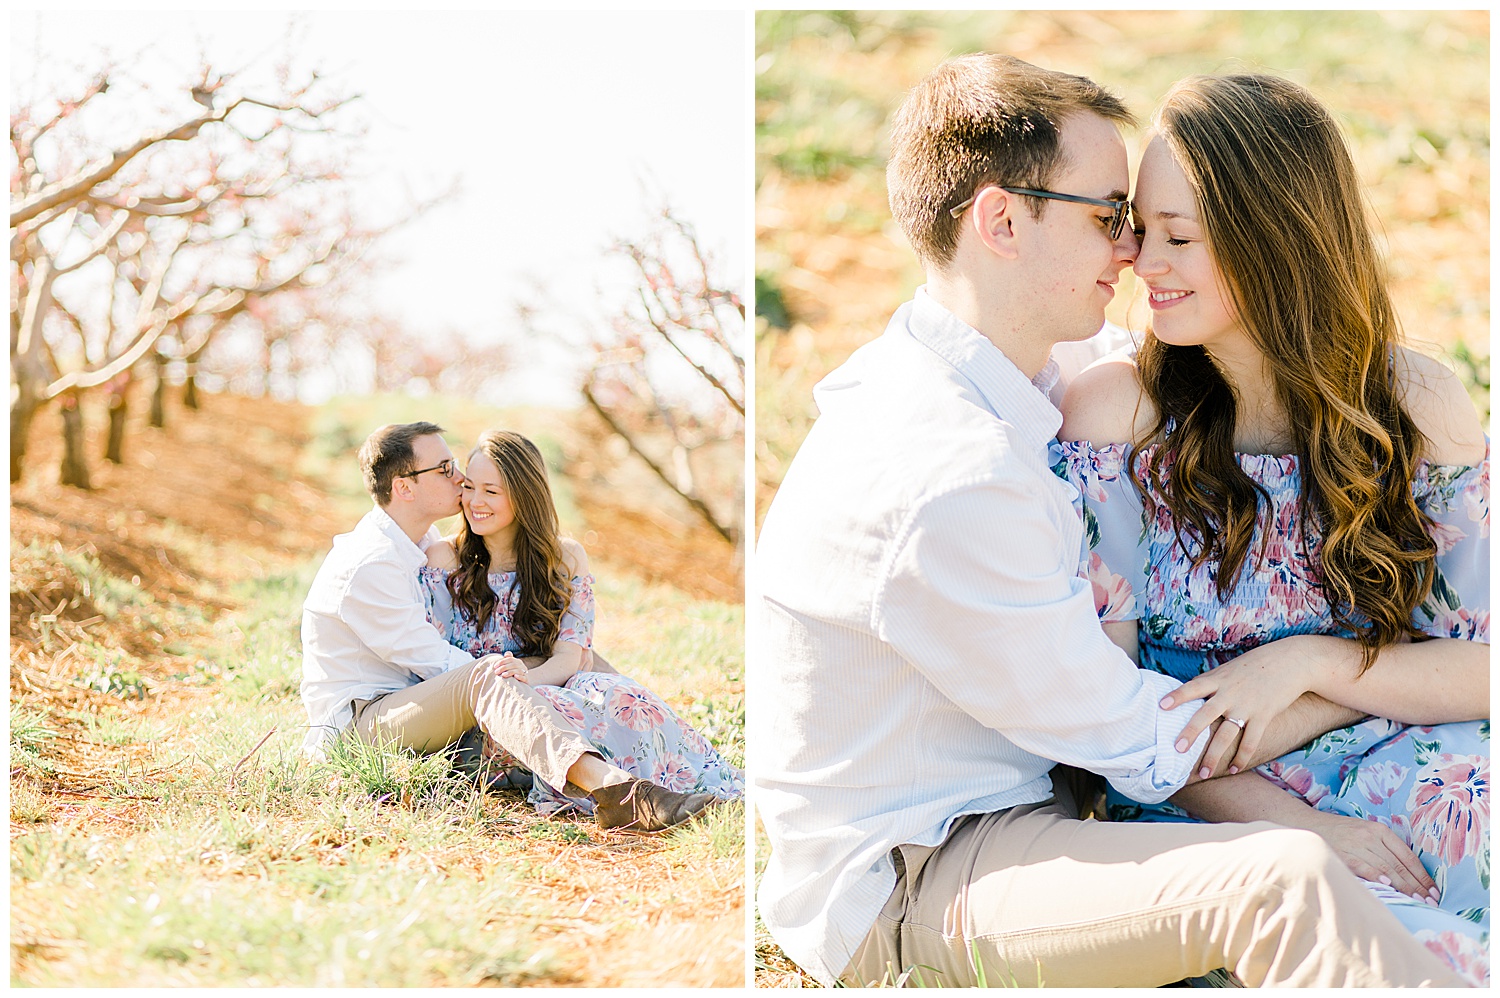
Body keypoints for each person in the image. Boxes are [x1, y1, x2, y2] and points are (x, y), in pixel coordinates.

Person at [753, 54, 1467, 988]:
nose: (1132, 254)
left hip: (1027, 814)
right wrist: (1349, 668)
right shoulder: (950, 475)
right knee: (1286, 882)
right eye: (1110, 220)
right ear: (1001, 221)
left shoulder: (1008, 377)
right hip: (921, 866)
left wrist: (1326, 658)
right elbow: (1148, 742)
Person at [1056, 73, 1489, 984]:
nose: (1143, 260)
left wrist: (1310, 663)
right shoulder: (1116, 422)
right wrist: (1309, 831)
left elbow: (1483, 668)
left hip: (1420, 755)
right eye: (1142, 228)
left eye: (1179, 237)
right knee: (1428, 961)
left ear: (1277, 248)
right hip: (1221, 807)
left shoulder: (1416, 405)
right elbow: (1110, 722)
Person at [300, 420, 720, 832]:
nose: (460, 478)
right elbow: (438, 664)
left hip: (412, 704)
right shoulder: (371, 563)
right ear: (405, 487)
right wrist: (524, 675)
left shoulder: (418, 544)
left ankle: (691, 762)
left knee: (590, 671)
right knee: (490, 676)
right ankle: (616, 791)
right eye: (445, 469)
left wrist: (560, 665)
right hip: (360, 724)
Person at [419, 428, 743, 817]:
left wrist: (525, 675)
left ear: (524, 495)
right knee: (561, 706)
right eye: (469, 487)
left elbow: (570, 658)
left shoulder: (564, 557)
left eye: (491, 491)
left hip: (549, 681)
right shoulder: (445, 560)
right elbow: (433, 658)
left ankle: (688, 788)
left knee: (617, 694)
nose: (475, 502)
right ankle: (628, 798)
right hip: (489, 718)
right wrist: (513, 684)